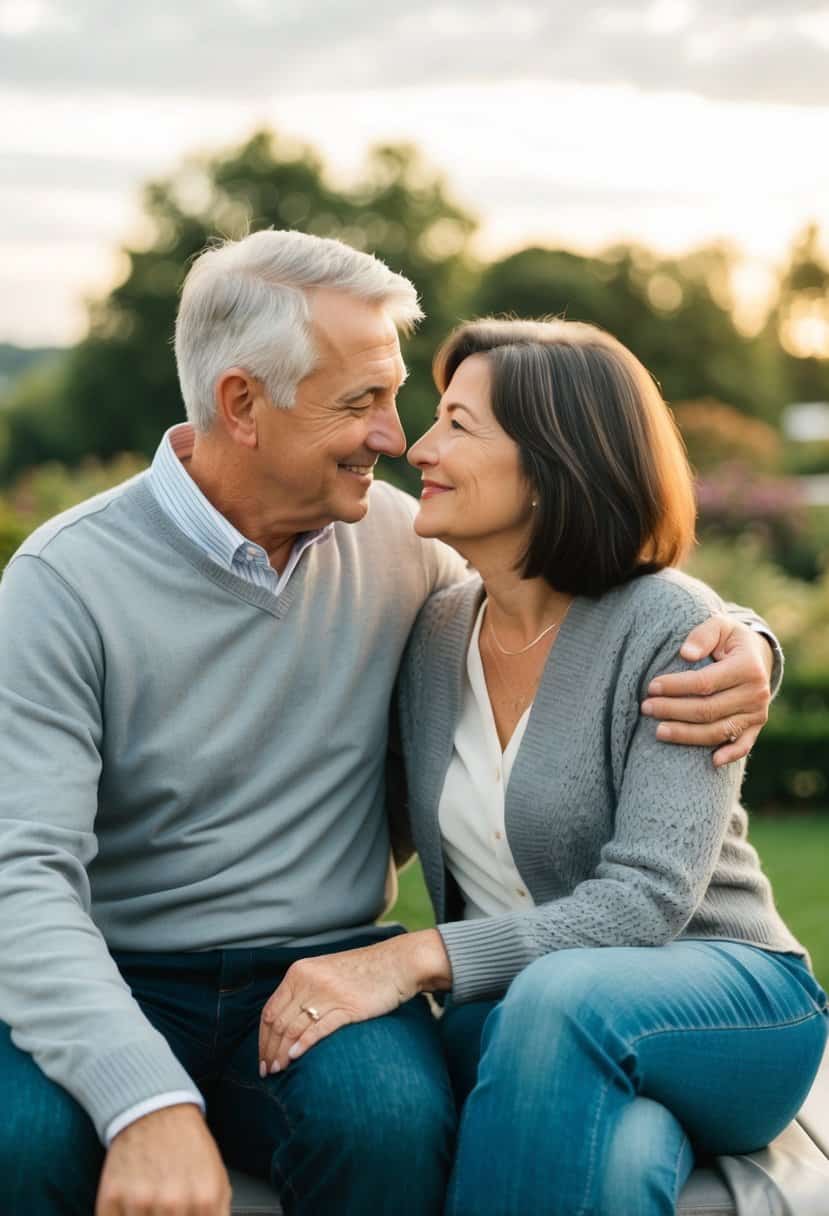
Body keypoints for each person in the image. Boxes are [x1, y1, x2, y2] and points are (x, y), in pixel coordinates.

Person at [0, 234, 780, 1216]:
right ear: (243, 404)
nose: (395, 436)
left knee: (388, 1126)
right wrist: (142, 1097)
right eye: (359, 401)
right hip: (113, 967)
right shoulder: (65, 580)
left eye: (401, 396)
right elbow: (20, 878)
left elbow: (581, 604)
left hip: (321, 961)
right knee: (18, 1145)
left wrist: (744, 645)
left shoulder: (402, 553)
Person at [257, 317, 828, 1216]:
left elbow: (643, 901)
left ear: (551, 464)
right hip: (525, 1021)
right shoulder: (437, 631)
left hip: (730, 1004)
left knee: (560, 998)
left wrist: (413, 958)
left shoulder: (668, 625)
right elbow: (361, 815)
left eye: (457, 424)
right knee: (622, 1157)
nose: (419, 445)